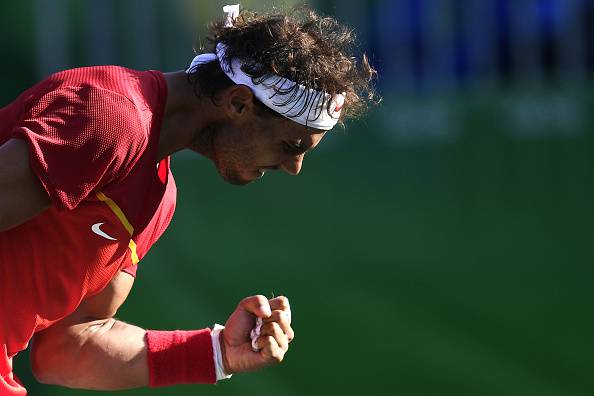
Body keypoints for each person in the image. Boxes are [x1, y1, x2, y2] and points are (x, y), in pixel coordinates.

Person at [0, 4, 377, 394]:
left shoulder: (157, 200)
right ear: (238, 104)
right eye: (289, 145)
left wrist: (219, 353)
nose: (293, 167)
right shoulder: (113, 120)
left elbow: (66, 348)